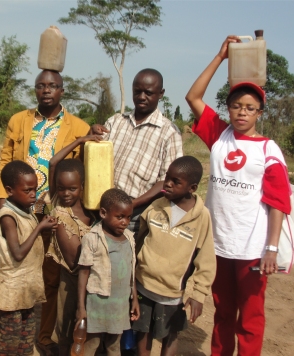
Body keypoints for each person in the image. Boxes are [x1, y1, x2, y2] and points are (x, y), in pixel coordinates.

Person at [185, 36, 291, 356]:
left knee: (252, 319)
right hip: (219, 246)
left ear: (259, 112)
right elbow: (193, 96)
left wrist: (271, 248)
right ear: (228, 108)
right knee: (223, 314)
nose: (242, 112)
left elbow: (278, 203)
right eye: (236, 106)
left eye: (249, 108)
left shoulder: (268, 150)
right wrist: (220, 57)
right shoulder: (219, 136)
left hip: (253, 250)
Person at [0, 69, 90, 354]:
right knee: (20, 264)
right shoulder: (19, 121)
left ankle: (44, 336)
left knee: (51, 274)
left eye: (52, 86)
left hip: (54, 208)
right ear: (35, 90)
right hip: (21, 207)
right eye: (40, 86)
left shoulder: (78, 127)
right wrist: (2, 198)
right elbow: (5, 159)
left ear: (62, 90)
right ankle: (17, 325)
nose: (46, 90)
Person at [132, 156, 216, 356]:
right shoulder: (157, 205)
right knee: (143, 332)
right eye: (167, 177)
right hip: (144, 283)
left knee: (170, 336)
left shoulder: (202, 217)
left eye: (175, 181)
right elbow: (138, 239)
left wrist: (199, 294)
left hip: (172, 293)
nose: (167, 184)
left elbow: (206, 258)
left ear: (192, 188)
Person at [91, 69, 183, 234]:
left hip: (133, 214)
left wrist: (130, 206)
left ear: (161, 93)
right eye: (137, 91)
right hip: (100, 208)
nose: (141, 97)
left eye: (148, 93)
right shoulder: (116, 121)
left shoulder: (169, 133)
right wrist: (91, 136)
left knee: (124, 258)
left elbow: (166, 181)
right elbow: (95, 158)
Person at [0, 160, 58, 355]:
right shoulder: (8, 217)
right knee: (7, 343)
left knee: (25, 341)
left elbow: (45, 202)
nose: (33, 195)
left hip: (26, 289)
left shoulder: (27, 208)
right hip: (12, 290)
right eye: (27, 190)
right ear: (10, 190)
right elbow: (18, 253)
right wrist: (40, 228)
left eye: (35, 190)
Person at [45, 135, 100, 356]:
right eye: (61, 188)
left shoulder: (94, 210)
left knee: (88, 328)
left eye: (72, 189)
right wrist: (80, 142)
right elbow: (52, 163)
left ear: (83, 187)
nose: (66, 194)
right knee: (65, 325)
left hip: (93, 279)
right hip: (69, 277)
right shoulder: (55, 204)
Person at [76, 188, 140, 356]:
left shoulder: (130, 238)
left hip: (119, 305)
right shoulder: (92, 239)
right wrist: (81, 307)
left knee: (113, 345)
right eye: (120, 217)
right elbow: (83, 274)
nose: (125, 222)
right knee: (91, 344)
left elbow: (131, 271)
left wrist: (134, 299)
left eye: (128, 217)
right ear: (103, 213)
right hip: (97, 304)